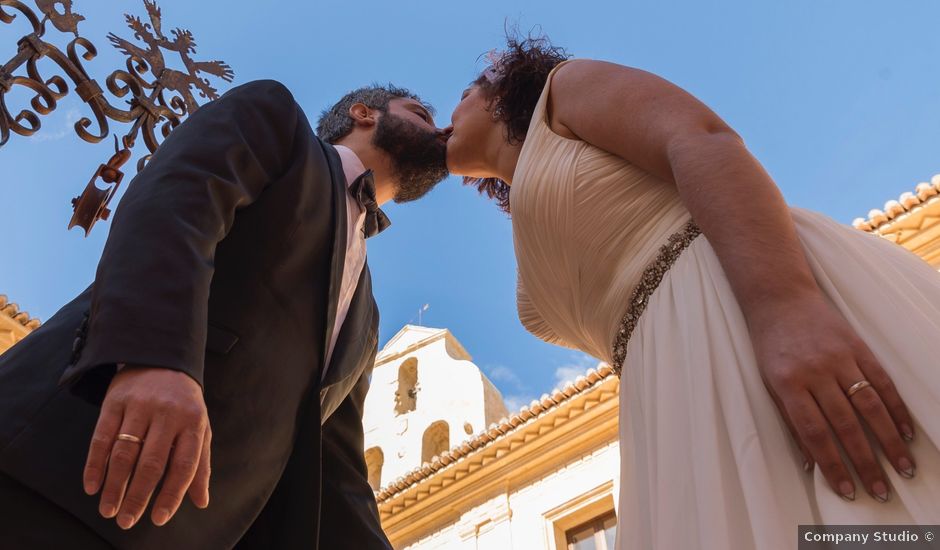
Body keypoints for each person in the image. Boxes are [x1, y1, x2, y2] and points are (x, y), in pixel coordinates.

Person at [444, 34, 940, 549]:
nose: (448, 114)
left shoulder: (563, 90)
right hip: (678, 401)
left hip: (755, 311)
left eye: (460, 96)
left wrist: (786, 307)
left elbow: (699, 138)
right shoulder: (530, 224)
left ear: (497, 92)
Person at [0, 79, 449, 549]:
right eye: (420, 113)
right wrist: (157, 357)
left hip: (176, 531)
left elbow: (332, 461)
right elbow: (176, 203)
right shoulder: (279, 123)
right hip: (53, 470)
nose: (438, 131)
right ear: (364, 113)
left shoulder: (367, 312)